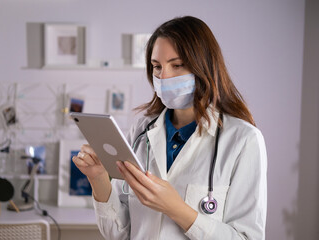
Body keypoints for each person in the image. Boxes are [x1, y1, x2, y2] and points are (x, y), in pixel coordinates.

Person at [72, 16, 267, 240]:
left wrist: (176, 209)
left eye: (177, 65)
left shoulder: (243, 140)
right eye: (157, 67)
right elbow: (120, 233)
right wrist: (98, 178)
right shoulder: (140, 132)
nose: (163, 77)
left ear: (204, 66)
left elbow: (247, 237)